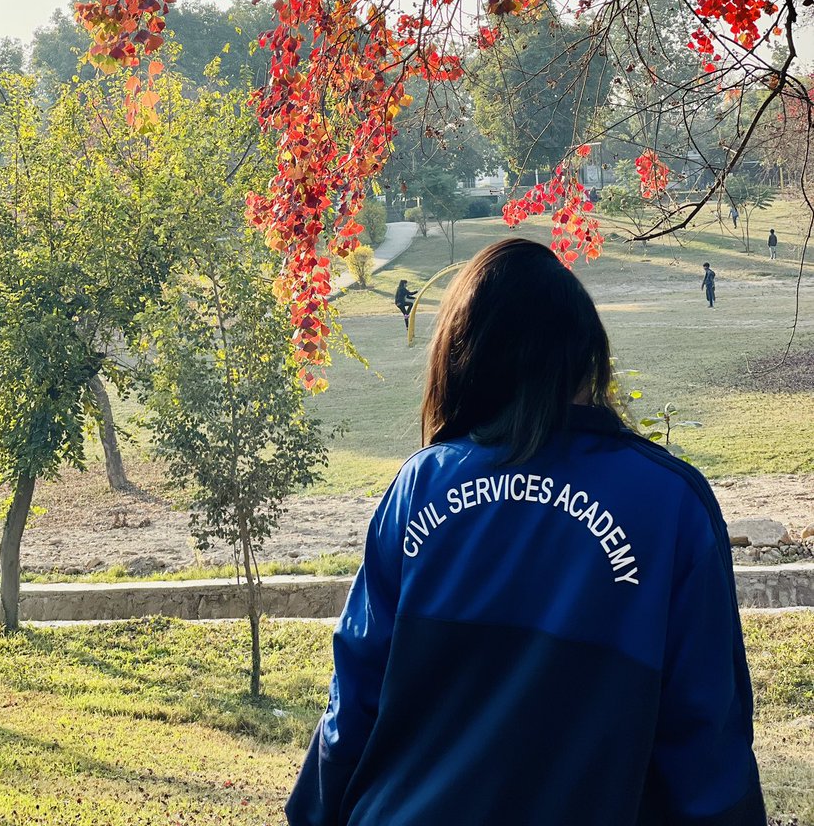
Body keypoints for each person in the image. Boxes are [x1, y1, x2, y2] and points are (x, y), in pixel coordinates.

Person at [287, 239, 764, 826]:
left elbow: (352, 705)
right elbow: (705, 744)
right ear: (587, 357)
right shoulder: (669, 505)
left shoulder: (422, 486)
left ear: (464, 359)